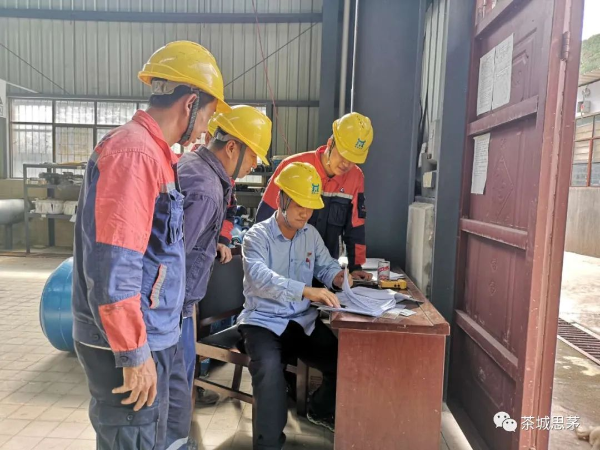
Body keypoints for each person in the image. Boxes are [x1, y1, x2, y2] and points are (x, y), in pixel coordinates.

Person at [71, 40, 229, 450]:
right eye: (208, 115)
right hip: (125, 341)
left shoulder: (157, 155)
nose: (206, 128)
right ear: (190, 103)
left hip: (146, 332)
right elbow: (114, 266)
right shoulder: (135, 154)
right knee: (134, 438)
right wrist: (134, 353)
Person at [238, 161, 352, 449]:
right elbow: (260, 279)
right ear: (282, 199)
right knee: (269, 374)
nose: (305, 213)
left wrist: (338, 277)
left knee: (345, 361)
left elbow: (325, 266)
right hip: (263, 322)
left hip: (302, 321)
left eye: (310, 207)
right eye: (300, 204)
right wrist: (305, 291)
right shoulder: (256, 236)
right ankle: (269, 445)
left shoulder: (310, 235)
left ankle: (319, 409)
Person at [177, 106, 272, 406]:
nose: (255, 165)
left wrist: (218, 239)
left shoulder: (206, 172)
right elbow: (172, 259)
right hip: (173, 305)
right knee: (174, 387)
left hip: (180, 303)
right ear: (232, 147)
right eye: (253, 156)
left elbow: (222, 215)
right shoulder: (205, 189)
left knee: (179, 381)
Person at [256, 112, 374, 280]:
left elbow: (355, 226)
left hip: (327, 272)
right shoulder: (292, 167)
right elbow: (264, 218)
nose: (346, 164)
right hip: (284, 273)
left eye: (353, 159)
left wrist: (355, 267)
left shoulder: (355, 177)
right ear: (330, 144)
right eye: (343, 154)